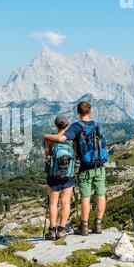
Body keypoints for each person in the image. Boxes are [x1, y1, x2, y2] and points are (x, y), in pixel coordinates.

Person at [43, 101, 107, 236]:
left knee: (83, 197)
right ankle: (97, 224)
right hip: (99, 166)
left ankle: (80, 227)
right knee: (100, 195)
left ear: (78, 112)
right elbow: (76, 152)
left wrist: (45, 136)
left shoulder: (76, 127)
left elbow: (60, 140)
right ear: (90, 111)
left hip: (76, 170)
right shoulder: (97, 125)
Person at [44, 115, 75, 241]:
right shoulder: (72, 139)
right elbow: (75, 155)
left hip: (54, 175)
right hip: (68, 175)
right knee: (66, 202)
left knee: (53, 203)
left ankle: (52, 231)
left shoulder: (50, 140)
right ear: (67, 126)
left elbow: (47, 156)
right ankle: (62, 230)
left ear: (56, 125)